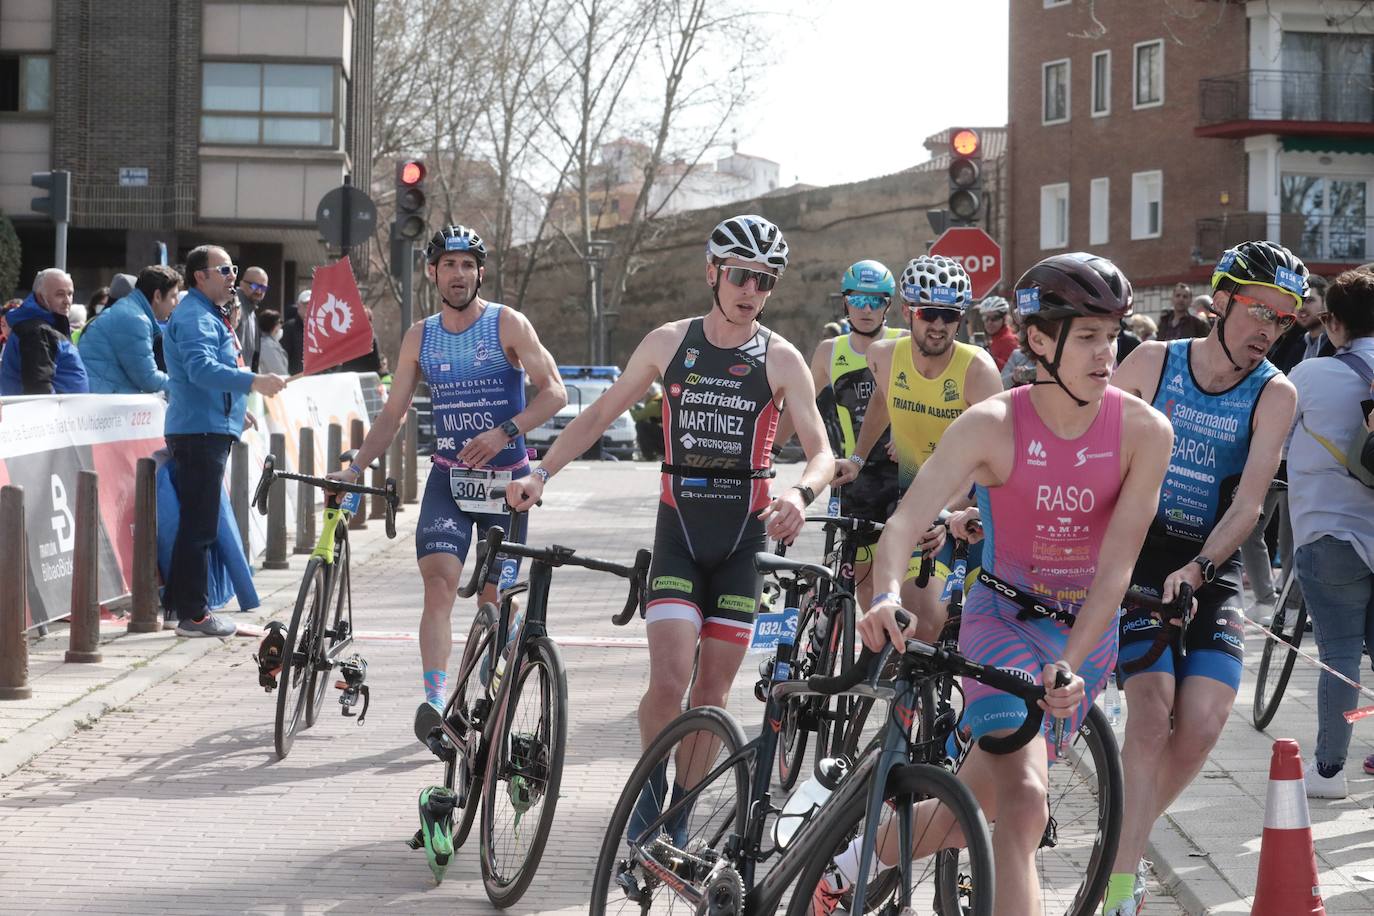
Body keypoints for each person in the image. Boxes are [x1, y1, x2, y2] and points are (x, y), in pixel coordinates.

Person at [840, 252, 1171, 915]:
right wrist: (883, 596)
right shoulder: (992, 425)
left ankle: (856, 857)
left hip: (1083, 636)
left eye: (1112, 336)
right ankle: (860, 858)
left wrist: (1071, 664)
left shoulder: (1144, 433)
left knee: (971, 807)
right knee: (1022, 805)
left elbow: (1116, 570)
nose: (1107, 354)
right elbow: (903, 526)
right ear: (1039, 340)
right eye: (1087, 337)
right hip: (1003, 621)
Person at [505, 215, 834, 841]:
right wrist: (540, 473)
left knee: (711, 691)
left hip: (744, 542)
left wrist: (800, 491)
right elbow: (600, 412)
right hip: (679, 534)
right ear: (713, 273)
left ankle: (679, 816)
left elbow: (820, 450)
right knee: (668, 681)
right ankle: (649, 790)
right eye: (740, 276)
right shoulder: (668, 343)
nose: (751, 291)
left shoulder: (783, 358)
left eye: (765, 282)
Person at [1107, 240, 1302, 916]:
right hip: (1136, 559)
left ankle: (1121, 835)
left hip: (1207, 568)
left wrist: (1200, 568)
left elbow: (1250, 505)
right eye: (1259, 312)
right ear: (1220, 300)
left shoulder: (1275, 392)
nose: (1268, 332)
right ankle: (1123, 882)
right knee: (1153, 710)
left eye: (1283, 321)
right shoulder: (1153, 362)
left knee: (1206, 719)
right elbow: (1090, 446)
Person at [329, 225, 566, 729]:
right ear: (432, 272)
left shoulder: (508, 324)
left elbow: (554, 393)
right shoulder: (421, 335)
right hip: (450, 483)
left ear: (480, 272)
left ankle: (496, 667)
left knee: (493, 601)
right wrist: (355, 468)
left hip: (508, 487)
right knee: (438, 585)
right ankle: (436, 702)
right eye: (449, 265)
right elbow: (392, 416)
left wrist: (507, 432)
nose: (459, 274)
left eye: (468, 265)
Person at [832, 255, 1003, 638]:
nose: (939, 325)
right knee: (912, 622)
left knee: (963, 632)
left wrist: (950, 511)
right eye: (929, 313)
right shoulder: (883, 357)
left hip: (972, 508)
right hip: (916, 503)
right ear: (909, 311)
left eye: (950, 314)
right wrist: (858, 458)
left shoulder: (978, 371)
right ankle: (904, 697)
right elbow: (881, 400)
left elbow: (993, 457)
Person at [162, 245, 286, 637]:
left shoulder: (205, 313)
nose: (233, 276)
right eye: (226, 269)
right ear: (201, 276)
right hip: (199, 432)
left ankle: (187, 609)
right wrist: (254, 382)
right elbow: (200, 370)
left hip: (205, 427)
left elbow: (209, 373)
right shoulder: (196, 315)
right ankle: (193, 614)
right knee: (199, 526)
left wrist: (237, 408)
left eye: (233, 269)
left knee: (198, 524)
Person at [1287, 267, 1374, 798]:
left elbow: (1272, 442)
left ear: (1333, 323)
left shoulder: (1310, 376)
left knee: (1340, 652)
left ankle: (1328, 772)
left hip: (1329, 535)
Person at [776, 259, 904, 610]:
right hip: (855, 476)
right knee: (861, 581)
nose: (866, 309)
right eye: (858, 299)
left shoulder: (903, 343)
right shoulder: (829, 351)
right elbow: (798, 406)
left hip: (903, 474)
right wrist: (768, 450)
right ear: (844, 301)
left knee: (900, 579)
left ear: (888, 305)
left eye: (876, 300)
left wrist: (908, 436)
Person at [78, 265, 181, 394]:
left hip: (103, 400)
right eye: (173, 296)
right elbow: (149, 379)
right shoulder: (135, 319)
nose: (176, 303)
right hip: (105, 406)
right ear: (158, 296)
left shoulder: (129, 312)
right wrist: (184, 385)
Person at [0, 268, 89, 395]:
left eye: (70, 294)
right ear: (41, 297)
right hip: (55, 412)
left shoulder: (43, 327)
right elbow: (38, 387)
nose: (67, 301)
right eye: (60, 294)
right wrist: (57, 413)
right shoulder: (37, 331)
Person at [235, 266, 268, 371]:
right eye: (254, 286)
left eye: (263, 288)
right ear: (241, 284)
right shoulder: (234, 305)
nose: (259, 291)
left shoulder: (251, 310)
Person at [978, 295, 1017, 369]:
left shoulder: (1009, 340)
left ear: (1004, 318)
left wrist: (990, 358)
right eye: (985, 318)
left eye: (994, 318)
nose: (989, 322)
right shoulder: (992, 340)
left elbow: (1010, 371)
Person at [255, 308, 290, 376]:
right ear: (274, 326)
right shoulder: (268, 346)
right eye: (280, 322)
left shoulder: (268, 342)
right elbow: (280, 372)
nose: (281, 325)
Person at [283, 290, 307, 375]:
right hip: (295, 378)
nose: (310, 307)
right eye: (306, 305)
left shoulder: (321, 328)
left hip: (318, 378)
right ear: (299, 306)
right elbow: (284, 355)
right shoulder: (289, 327)